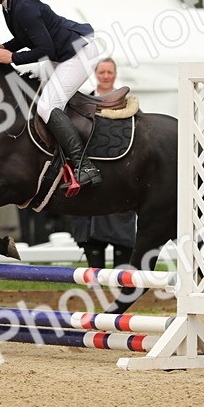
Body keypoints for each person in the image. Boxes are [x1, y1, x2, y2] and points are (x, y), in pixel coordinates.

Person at [0, 0, 102, 190]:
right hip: (61, 55)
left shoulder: (23, 7)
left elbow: (44, 47)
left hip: (79, 53)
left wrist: (12, 57)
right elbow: (25, 37)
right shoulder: (9, 4)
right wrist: (6, 46)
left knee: (47, 106)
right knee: (32, 94)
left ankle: (84, 166)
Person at [71, 58, 137, 267]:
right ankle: (95, 288)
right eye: (102, 72)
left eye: (109, 72)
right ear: (96, 74)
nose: (106, 76)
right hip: (89, 175)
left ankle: (122, 293)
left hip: (118, 178)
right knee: (93, 247)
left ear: (115, 75)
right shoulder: (82, 102)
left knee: (122, 245)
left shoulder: (126, 103)